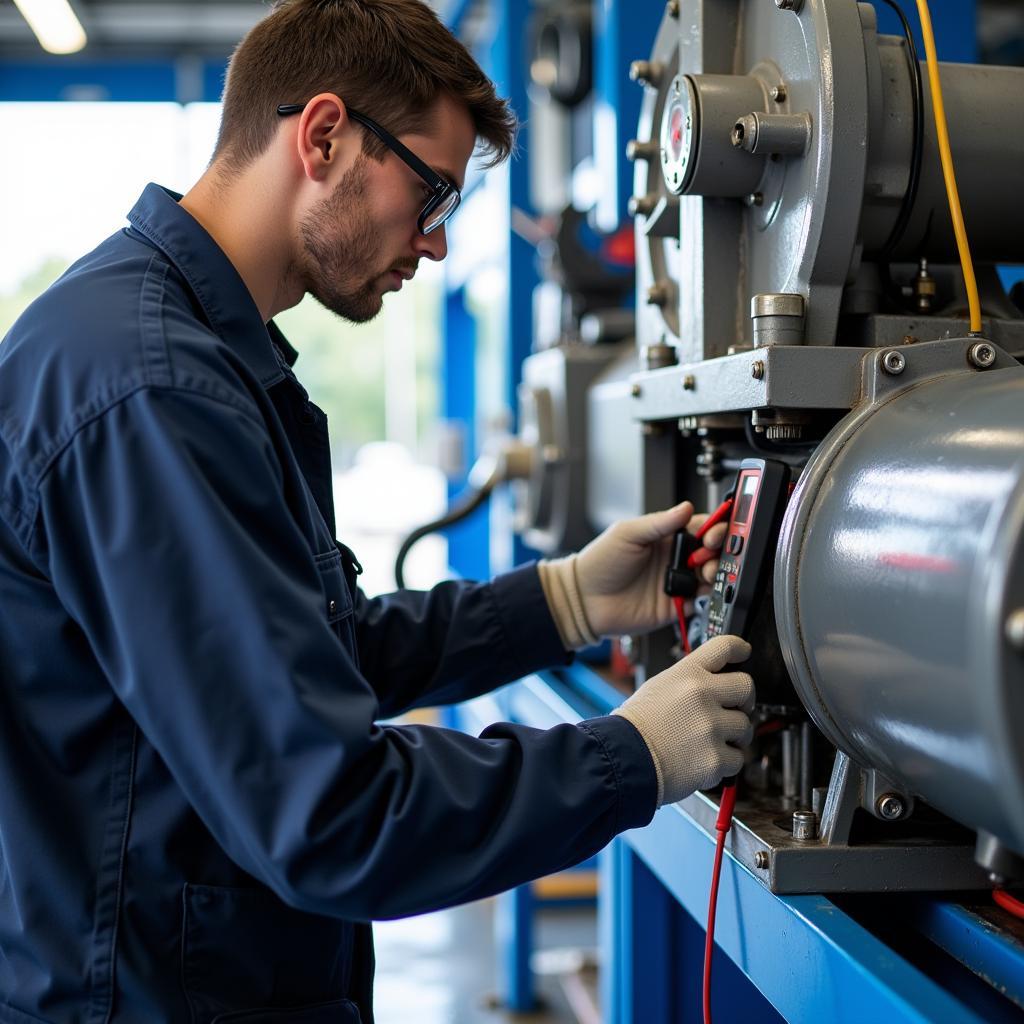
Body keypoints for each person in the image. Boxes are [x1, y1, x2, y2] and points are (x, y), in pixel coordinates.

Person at [0, 1, 754, 1021]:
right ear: (322, 136)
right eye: (431, 190)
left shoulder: (201, 359)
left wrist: (562, 601)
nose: (436, 244)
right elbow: (328, 813)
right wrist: (631, 755)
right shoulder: (153, 389)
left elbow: (311, 654)